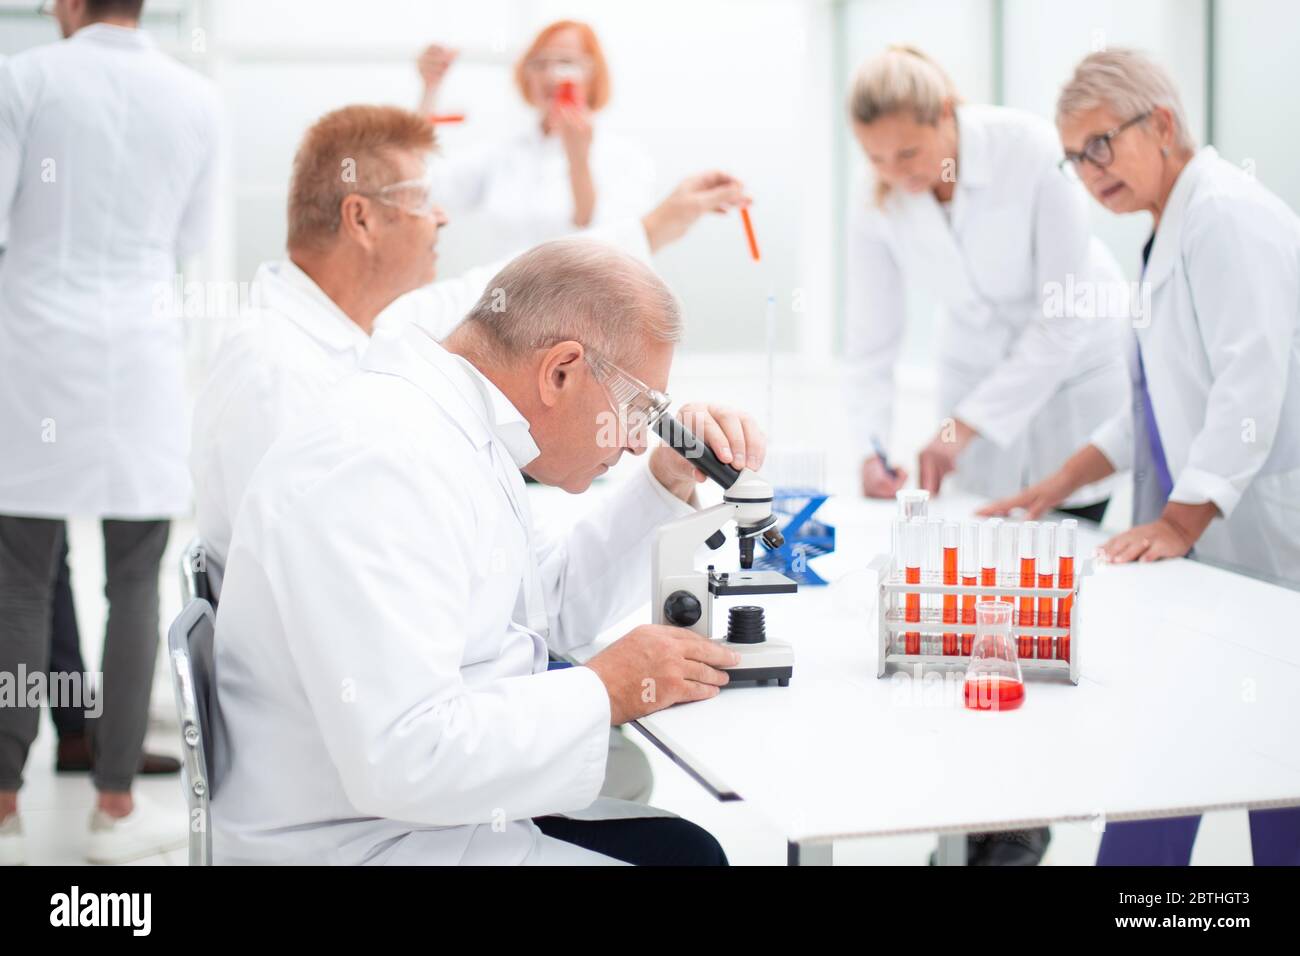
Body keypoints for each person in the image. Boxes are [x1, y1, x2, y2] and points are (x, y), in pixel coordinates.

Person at [189, 104, 747, 810]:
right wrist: (601, 688)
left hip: (413, 782)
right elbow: (404, 753)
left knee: (677, 842)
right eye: (638, 410)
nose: (639, 438)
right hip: (371, 825)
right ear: (560, 373)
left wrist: (665, 483)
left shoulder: (454, 409)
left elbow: (541, 607)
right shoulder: (372, 449)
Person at [980, 49, 1300, 865]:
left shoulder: (1226, 213)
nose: (1089, 172)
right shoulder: (1171, 229)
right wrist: (1051, 487)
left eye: (1101, 145)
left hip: (1264, 547)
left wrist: (1180, 520)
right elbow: (1150, 408)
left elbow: (1249, 384)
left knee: (1278, 779)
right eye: (1074, 156)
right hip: (1207, 556)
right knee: (1164, 755)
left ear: (1161, 125)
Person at [0, 0, 219, 865]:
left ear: (65, 3)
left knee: (18, 585)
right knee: (136, 585)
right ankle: (116, 806)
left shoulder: (24, 77)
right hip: (140, 358)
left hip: (34, 356)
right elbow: (193, 240)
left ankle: (5, 802)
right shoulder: (197, 98)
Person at [844, 46, 1127, 527]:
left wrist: (960, 429)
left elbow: (1061, 321)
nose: (896, 171)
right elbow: (872, 340)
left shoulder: (1032, 149)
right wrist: (871, 448)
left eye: (909, 152)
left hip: (1072, 374)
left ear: (945, 115)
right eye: (877, 157)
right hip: (972, 372)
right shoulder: (874, 195)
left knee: (1065, 544)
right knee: (980, 537)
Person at [416, 20, 655, 259]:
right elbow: (418, 184)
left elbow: (611, 249)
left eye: (566, 62)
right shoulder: (503, 153)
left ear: (592, 74)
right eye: (540, 63)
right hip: (505, 294)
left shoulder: (626, 158)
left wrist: (578, 162)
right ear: (526, 75)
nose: (551, 75)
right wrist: (430, 90)